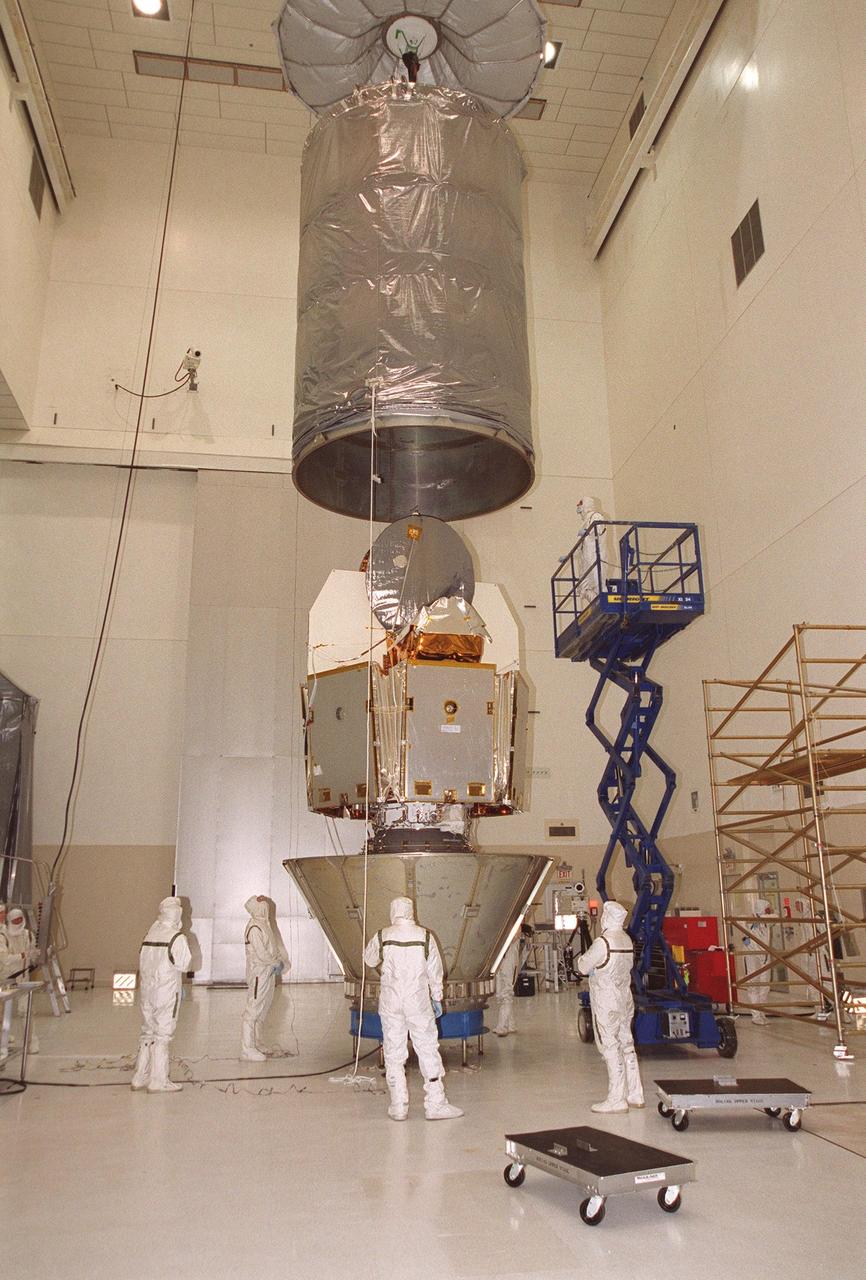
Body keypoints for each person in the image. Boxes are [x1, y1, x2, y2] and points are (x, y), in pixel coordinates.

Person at [363, 897, 462, 1122]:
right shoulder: (425, 936)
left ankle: (398, 1105)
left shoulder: (383, 935)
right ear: (411, 912)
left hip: (391, 1001)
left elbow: (368, 959)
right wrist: (437, 997)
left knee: (393, 1050)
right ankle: (435, 1104)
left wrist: (386, 966)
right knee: (427, 1048)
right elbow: (435, 970)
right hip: (418, 1001)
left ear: (393, 911)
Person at [577, 900, 644, 1113]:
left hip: (607, 1000)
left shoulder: (603, 942)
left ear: (607, 917)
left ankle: (616, 1098)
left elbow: (583, 966)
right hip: (625, 998)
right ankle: (635, 1093)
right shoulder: (626, 940)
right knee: (627, 1044)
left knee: (610, 1046)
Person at [131, 896, 191, 1093]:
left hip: (147, 990)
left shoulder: (150, 934)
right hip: (166, 992)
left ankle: (140, 1076)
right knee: (163, 1034)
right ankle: (159, 1080)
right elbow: (184, 964)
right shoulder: (176, 937)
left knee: (147, 1031)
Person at [241, 895, 290, 1061]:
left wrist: (279, 961)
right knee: (253, 1009)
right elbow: (261, 953)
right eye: (263, 906)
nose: (266, 908)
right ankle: (247, 1048)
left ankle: (258, 1043)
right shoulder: (254, 928)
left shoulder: (264, 925)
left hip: (267, 972)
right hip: (258, 974)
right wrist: (274, 961)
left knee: (262, 1009)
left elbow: (272, 947)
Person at [0, 905, 40, 1057]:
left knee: (27, 1010)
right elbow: (4, 959)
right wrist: (23, 955)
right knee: (2, 1013)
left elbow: (33, 957)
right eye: (14, 920)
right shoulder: (3, 937)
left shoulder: (28, 935)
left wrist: (37, 955)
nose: (17, 922)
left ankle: (31, 1042)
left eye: (20, 919)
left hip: (23, 978)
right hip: (5, 979)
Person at [575, 496, 610, 609]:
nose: (579, 509)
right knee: (583, 588)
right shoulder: (585, 521)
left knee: (598, 583)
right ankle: (597, 605)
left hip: (596, 555)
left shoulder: (596, 516)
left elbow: (599, 529)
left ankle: (604, 603)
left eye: (580, 505)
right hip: (587, 559)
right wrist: (569, 557)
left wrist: (587, 532)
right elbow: (582, 546)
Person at [741, 898, 773, 1025]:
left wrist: (761, 916)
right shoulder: (748, 922)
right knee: (753, 984)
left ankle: (761, 1012)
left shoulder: (766, 921)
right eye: (767, 908)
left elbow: (775, 916)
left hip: (764, 956)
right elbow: (738, 918)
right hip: (750, 956)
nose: (769, 910)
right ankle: (755, 1015)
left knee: (765, 985)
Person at [493, 929, 524, 1037]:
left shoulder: (515, 922)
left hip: (509, 958)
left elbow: (515, 936)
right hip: (500, 958)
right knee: (500, 993)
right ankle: (511, 1024)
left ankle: (502, 1026)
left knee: (506, 991)